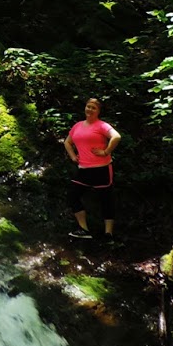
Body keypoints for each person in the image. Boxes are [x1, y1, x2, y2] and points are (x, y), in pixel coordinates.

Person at [64, 97, 121, 242]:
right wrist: (72, 156)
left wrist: (106, 151)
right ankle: (84, 229)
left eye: (93, 108)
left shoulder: (101, 125)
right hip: (84, 169)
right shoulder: (77, 126)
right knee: (72, 196)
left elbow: (116, 136)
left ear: (98, 111)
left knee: (106, 200)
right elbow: (67, 142)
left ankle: (108, 234)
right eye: (88, 106)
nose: (90, 109)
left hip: (101, 169)